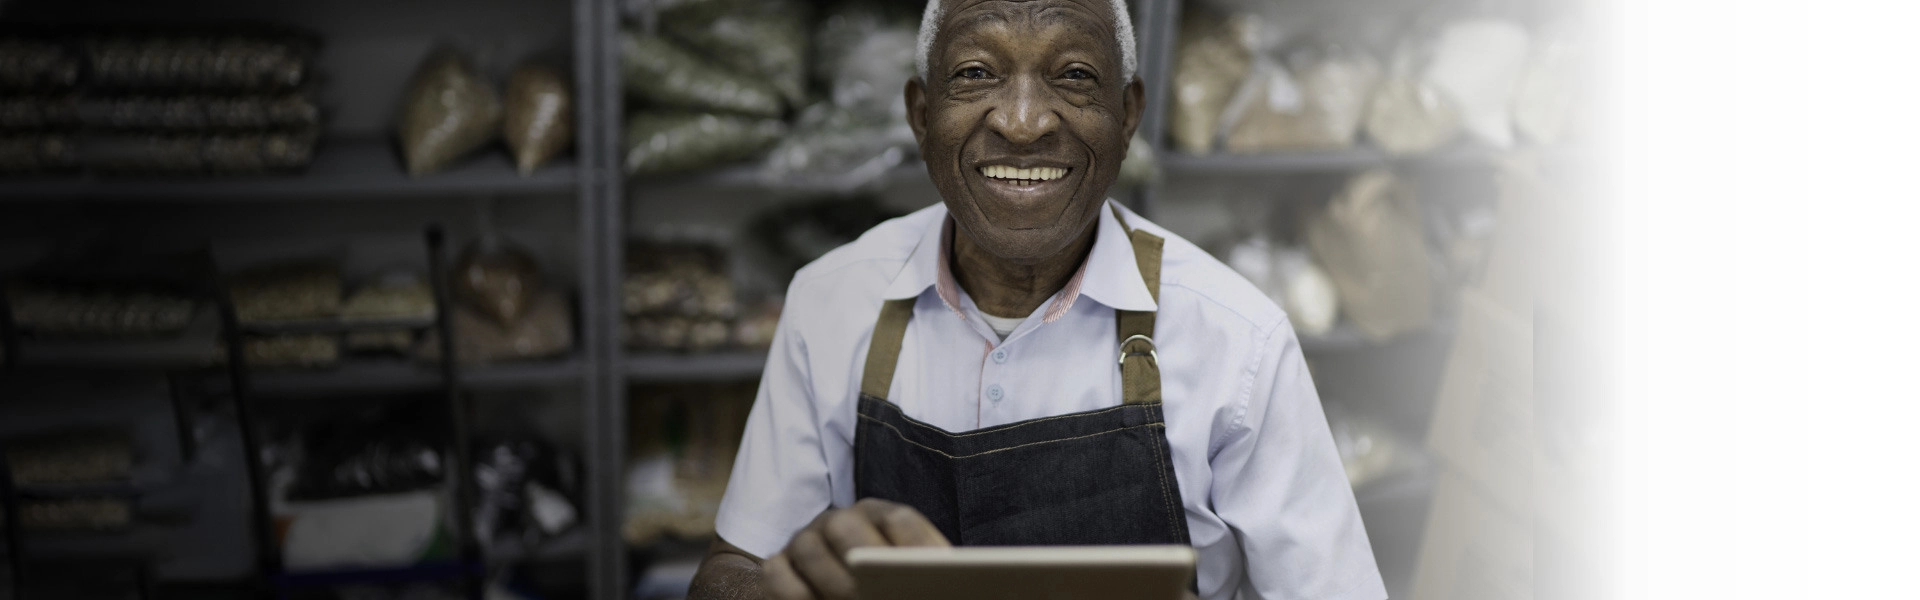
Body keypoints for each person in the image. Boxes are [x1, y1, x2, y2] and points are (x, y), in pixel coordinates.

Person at [688, 0, 1386, 598]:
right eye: (975, 73)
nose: (1023, 123)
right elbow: (733, 565)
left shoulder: (1239, 339)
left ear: (1128, 113)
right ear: (921, 114)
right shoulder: (831, 299)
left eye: (1075, 76)